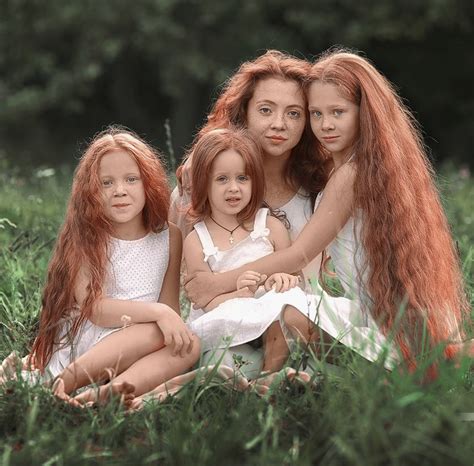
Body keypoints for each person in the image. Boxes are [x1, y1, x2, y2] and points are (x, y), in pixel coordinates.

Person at [185, 50, 470, 378]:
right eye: (316, 114)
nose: (326, 125)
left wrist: (216, 284)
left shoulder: (350, 175)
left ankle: (411, 361)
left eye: (338, 112)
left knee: (290, 317)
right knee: (290, 321)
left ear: (366, 114)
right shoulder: (354, 169)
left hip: (374, 318)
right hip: (368, 311)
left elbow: (299, 253)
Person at [2, 127, 201, 404]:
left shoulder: (170, 236)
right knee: (156, 329)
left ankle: (107, 393)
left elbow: (171, 309)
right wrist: (158, 313)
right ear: (91, 191)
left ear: (149, 184)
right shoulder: (87, 236)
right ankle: (61, 384)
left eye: (131, 179)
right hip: (92, 342)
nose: (119, 191)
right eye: (106, 183)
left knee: (188, 346)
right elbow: (94, 309)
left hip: (143, 343)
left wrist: (167, 319)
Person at [170, 50, 329, 286]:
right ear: (244, 112)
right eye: (265, 110)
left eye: (294, 114)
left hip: (302, 315)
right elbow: (170, 272)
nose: (279, 124)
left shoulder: (322, 185)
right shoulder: (199, 183)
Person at [183, 128, 310, 379]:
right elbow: (204, 300)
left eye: (243, 178)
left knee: (284, 308)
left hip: (271, 322)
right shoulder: (197, 239)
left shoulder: (270, 227)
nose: (234, 188)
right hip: (228, 325)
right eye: (222, 179)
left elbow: (296, 279)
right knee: (223, 363)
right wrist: (238, 293)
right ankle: (257, 379)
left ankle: (268, 373)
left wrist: (284, 279)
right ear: (203, 183)